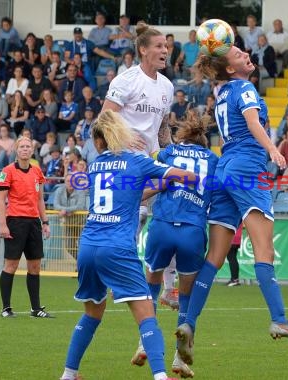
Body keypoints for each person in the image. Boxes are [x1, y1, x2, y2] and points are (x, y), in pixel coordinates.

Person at [175, 44, 288, 370]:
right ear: (230, 68)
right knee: (264, 250)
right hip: (248, 168)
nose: (246, 55)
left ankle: (189, 323)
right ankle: (279, 318)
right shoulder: (245, 87)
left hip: (224, 169)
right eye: (238, 54)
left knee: (215, 256)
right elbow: (253, 122)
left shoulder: (221, 92)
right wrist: (274, 149)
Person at [59, 110, 195, 380]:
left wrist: (156, 187)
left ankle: (68, 374)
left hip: (88, 247)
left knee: (92, 314)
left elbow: (128, 195)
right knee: (146, 315)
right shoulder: (137, 161)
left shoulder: (96, 165)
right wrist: (183, 174)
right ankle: (160, 376)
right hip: (117, 246)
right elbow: (186, 176)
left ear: (99, 142)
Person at [101, 22, 178, 317]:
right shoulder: (126, 80)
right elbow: (105, 119)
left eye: (167, 46)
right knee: (129, 223)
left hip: (151, 161)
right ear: (143, 50)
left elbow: (161, 129)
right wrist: (124, 138)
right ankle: (118, 277)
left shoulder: (167, 86)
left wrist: (171, 153)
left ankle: (170, 288)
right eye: (159, 46)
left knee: (171, 212)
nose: (164, 51)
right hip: (125, 162)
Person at [141, 114, 218, 377]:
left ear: (183, 136)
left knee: (150, 285)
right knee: (186, 297)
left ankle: (144, 340)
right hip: (193, 229)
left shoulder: (170, 152)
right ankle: (178, 358)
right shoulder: (213, 160)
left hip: (163, 224)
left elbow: (155, 153)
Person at [0, 136, 52, 318]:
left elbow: (40, 199)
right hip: (15, 222)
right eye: (22, 147)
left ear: (32, 150)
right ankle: (6, 308)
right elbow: (1, 200)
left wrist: (45, 222)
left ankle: (35, 309)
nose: (26, 149)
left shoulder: (37, 172)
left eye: (28, 146)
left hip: (33, 222)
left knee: (35, 266)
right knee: (11, 265)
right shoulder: (8, 171)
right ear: (16, 150)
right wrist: (3, 225)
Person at [53, 173, 87, 261]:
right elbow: (56, 205)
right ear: (65, 182)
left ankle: (81, 265)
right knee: (69, 246)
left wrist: (65, 210)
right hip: (68, 223)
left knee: (82, 246)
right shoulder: (59, 190)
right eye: (68, 181)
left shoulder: (80, 191)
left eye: (72, 181)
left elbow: (80, 206)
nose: (70, 183)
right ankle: (80, 262)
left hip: (81, 223)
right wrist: (68, 210)